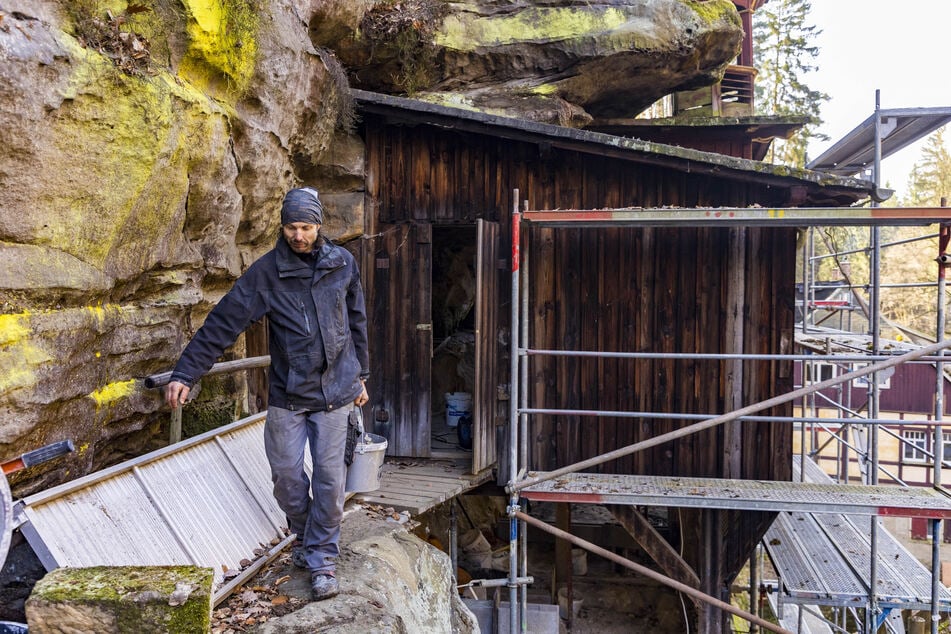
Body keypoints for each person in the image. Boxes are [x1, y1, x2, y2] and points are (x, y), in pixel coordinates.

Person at [165, 187, 369, 601]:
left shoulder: (342, 264)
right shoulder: (266, 274)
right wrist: (186, 372)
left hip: (336, 392)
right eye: (292, 227)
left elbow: (356, 320)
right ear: (283, 227)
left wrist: (361, 375)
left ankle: (322, 561)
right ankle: (305, 532)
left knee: (331, 482)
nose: (299, 235)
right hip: (288, 394)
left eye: (306, 227)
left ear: (319, 226)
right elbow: (222, 323)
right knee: (287, 478)